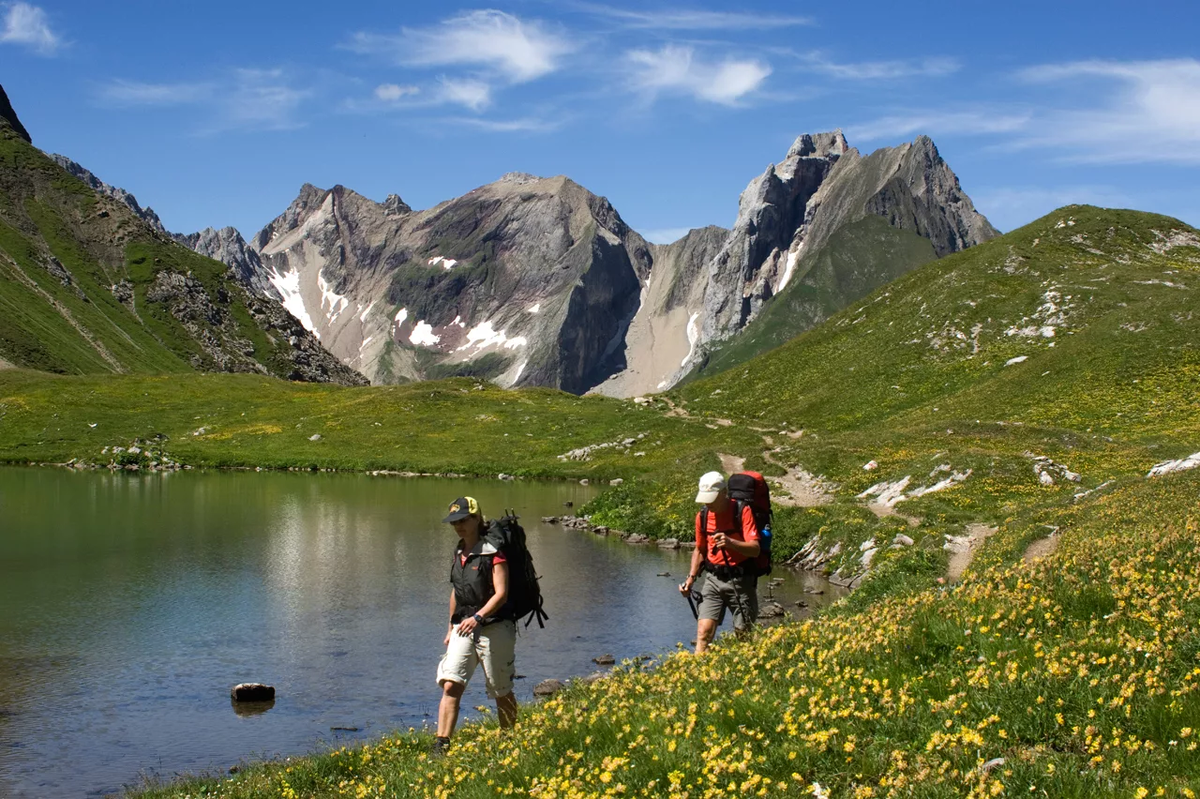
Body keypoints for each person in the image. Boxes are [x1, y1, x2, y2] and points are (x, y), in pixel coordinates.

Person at [433, 496, 518, 754]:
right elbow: (456, 593)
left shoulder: (494, 552)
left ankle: (509, 741)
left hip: (494, 626)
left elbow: (501, 594)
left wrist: (478, 617)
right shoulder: (459, 552)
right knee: (450, 684)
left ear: (476, 519)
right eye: (454, 522)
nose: (458, 526)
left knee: (500, 689)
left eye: (463, 520)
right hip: (463, 626)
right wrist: (450, 627)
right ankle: (441, 745)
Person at [678, 472, 760, 654]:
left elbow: (755, 549)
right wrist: (690, 579)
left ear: (724, 493)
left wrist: (731, 543)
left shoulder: (742, 511)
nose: (707, 503)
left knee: (743, 633)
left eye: (712, 499)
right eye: (705, 499)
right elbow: (700, 550)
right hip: (713, 580)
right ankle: (698, 676)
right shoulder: (703, 516)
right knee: (703, 632)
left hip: (740, 580)